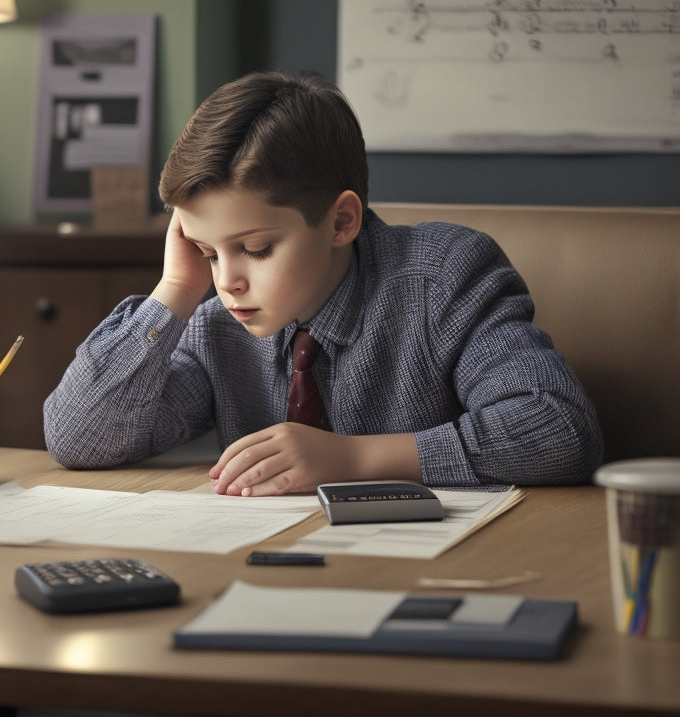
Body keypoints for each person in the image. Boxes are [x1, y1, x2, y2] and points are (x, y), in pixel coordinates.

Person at [43, 70, 603, 495]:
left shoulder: (445, 278)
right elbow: (78, 438)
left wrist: (355, 460)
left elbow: (560, 430)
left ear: (341, 222)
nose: (228, 281)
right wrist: (173, 291)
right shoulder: (218, 322)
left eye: (256, 249)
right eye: (208, 251)